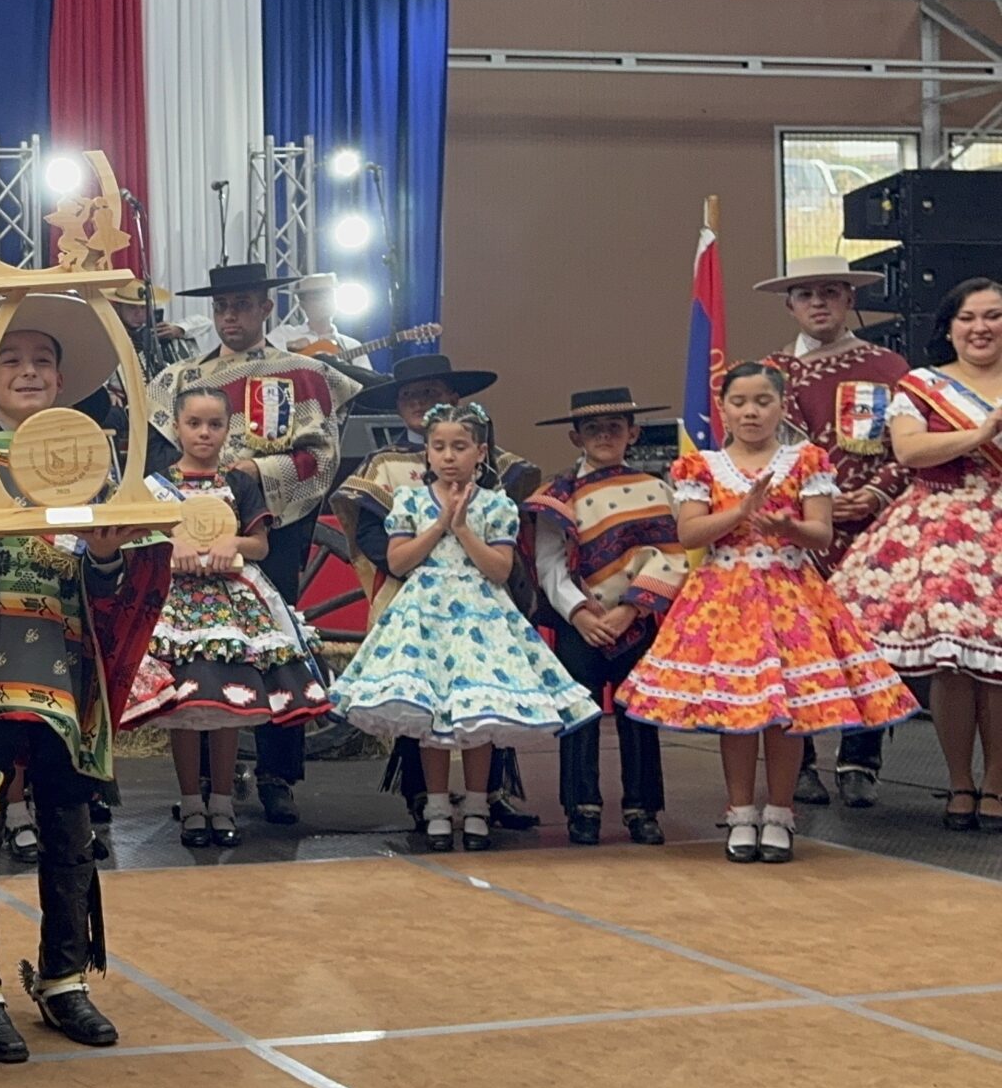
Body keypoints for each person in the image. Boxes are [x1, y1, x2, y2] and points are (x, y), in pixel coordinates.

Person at [0, 293, 169, 1061]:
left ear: (63, 378)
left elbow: (119, 584)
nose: (28, 372)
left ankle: (64, 978)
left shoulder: (95, 468)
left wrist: (110, 555)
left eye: (42, 361)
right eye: (11, 360)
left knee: (71, 838)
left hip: (66, 680)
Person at [617, 363, 916, 864]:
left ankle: (779, 812)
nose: (751, 412)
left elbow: (820, 533)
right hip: (723, 597)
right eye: (740, 402)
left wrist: (788, 528)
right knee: (737, 713)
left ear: (780, 406)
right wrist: (738, 513)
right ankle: (740, 812)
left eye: (762, 401)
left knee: (786, 714)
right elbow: (690, 534)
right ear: (724, 409)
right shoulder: (702, 467)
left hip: (789, 593)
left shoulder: (806, 460)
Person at [330, 403, 599, 850]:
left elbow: (499, 569)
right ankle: (437, 807)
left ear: (481, 452)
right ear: (428, 455)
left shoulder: (495, 505)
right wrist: (439, 525)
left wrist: (464, 529)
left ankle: (476, 805)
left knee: (479, 715)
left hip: (480, 615)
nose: (449, 456)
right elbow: (398, 561)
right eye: (439, 447)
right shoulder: (411, 501)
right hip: (424, 615)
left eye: (460, 447)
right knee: (431, 716)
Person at [149, 262, 359, 826]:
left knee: (276, 644)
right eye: (222, 308)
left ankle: (278, 775)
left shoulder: (302, 373)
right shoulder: (181, 381)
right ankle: (204, 788)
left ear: (267, 309)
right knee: (202, 652)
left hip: (272, 522)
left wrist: (256, 472)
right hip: (194, 529)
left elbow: (322, 455)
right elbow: (157, 455)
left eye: (242, 305)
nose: (230, 317)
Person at [122, 384, 331, 850]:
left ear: (227, 429)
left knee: (228, 706)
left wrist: (231, 544)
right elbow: (135, 539)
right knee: (184, 703)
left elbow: (260, 544)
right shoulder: (156, 486)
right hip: (176, 607)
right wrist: (167, 547)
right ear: (176, 427)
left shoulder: (239, 482)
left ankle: (222, 801)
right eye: (194, 423)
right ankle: (191, 801)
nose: (204, 433)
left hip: (230, 606)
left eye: (214, 424)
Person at [835, 278, 1002, 829]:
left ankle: (997, 784)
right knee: (954, 665)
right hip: (942, 530)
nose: (981, 327)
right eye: (968, 317)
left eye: (994, 316)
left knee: (998, 669)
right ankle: (959, 784)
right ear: (949, 328)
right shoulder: (922, 386)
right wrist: (982, 432)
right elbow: (909, 449)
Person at [757, 256, 914, 809]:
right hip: (796, 529)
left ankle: (860, 759)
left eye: (830, 292)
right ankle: (798, 760)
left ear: (849, 299)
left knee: (867, 641)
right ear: (790, 305)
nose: (818, 303)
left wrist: (875, 492)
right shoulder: (768, 375)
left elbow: (910, 447)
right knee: (797, 644)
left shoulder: (888, 367)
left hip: (870, 528)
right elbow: (754, 453)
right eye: (805, 294)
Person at [525, 389, 689, 846]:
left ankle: (643, 808)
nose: (604, 436)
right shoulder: (557, 495)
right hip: (582, 623)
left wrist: (632, 608)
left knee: (639, 714)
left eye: (614, 427)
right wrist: (578, 612)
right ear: (576, 436)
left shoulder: (657, 491)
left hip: (634, 620)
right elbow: (550, 562)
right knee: (579, 713)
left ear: (632, 434)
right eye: (593, 429)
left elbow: (672, 556)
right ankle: (581, 807)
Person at [269, 272, 372, 369]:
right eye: (317, 297)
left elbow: (369, 383)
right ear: (303, 305)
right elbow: (259, 357)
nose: (325, 302)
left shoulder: (351, 345)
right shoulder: (284, 334)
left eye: (329, 296)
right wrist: (290, 345)